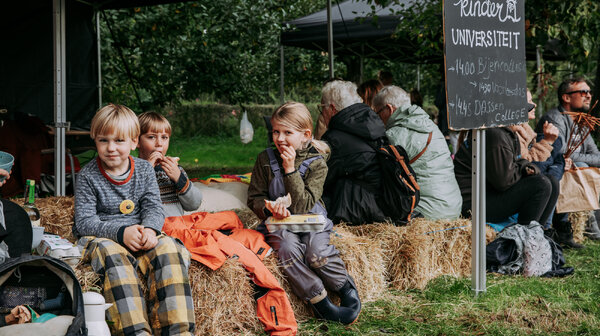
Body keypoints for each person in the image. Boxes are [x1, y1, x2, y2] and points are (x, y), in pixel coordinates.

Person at [74, 104, 194, 336]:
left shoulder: (143, 170)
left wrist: (150, 230)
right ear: (94, 140)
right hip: (102, 237)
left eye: (119, 141)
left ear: (134, 142)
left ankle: (178, 331)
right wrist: (121, 233)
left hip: (140, 234)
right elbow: (85, 222)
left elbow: (153, 207)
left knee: (168, 247)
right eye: (103, 141)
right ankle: (135, 331)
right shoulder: (87, 176)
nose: (111, 148)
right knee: (111, 253)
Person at [248, 102, 361, 325]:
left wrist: (290, 170)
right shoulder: (265, 160)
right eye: (276, 132)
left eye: (287, 132)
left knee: (315, 252)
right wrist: (268, 207)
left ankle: (344, 286)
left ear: (305, 135)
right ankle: (320, 300)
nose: (280, 138)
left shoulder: (316, 163)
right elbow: (254, 197)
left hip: (311, 221)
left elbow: (303, 204)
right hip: (280, 225)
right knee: (288, 250)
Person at [372, 85, 462, 220]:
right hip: (453, 207)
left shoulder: (394, 136)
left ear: (389, 109)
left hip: (427, 215)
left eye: (377, 113)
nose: (377, 118)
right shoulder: (431, 126)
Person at [454, 122, 559, 227]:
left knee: (551, 181)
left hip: (488, 192)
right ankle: (523, 238)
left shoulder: (506, 132)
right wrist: (525, 166)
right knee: (541, 185)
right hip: (474, 204)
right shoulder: (496, 135)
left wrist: (525, 167)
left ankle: (538, 234)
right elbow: (504, 182)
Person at [319, 80, 387, 225]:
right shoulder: (374, 124)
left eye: (321, 108)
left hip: (359, 209)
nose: (322, 114)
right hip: (384, 202)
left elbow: (321, 180)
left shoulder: (334, 138)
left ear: (331, 108)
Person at [137, 111, 202, 217]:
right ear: (137, 142)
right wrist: (146, 170)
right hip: (149, 229)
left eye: (164, 137)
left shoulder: (175, 169)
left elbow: (194, 204)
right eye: (151, 137)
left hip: (176, 227)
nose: (159, 143)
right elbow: (128, 204)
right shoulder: (131, 171)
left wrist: (179, 178)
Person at [535, 77, 597, 167]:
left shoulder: (582, 121)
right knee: (581, 165)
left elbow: (594, 152)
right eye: (583, 92)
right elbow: (562, 153)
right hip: (554, 169)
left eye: (590, 92)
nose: (589, 96)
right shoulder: (554, 118)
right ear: (567, 98)